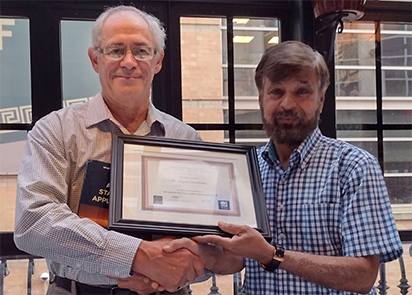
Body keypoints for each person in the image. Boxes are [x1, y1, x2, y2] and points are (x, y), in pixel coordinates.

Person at [163, 41, 404, 295]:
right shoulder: (246, 169)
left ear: (321, 100)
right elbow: (238, 259)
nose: (287, 104)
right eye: (276, 92)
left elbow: (363, 275)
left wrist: (272, 255)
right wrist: (202, 253)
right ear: (261, 99)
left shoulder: (354, 167)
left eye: (302, 92)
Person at [14, 5, 208, 295]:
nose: (128, 62)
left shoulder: (186, 138)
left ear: (158, 60)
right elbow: (34, 222)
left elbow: (212, 239)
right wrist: (138, 258)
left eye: (141, 51)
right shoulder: (54, 130)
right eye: (116, 50)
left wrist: (168, 271)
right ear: (95, 59)